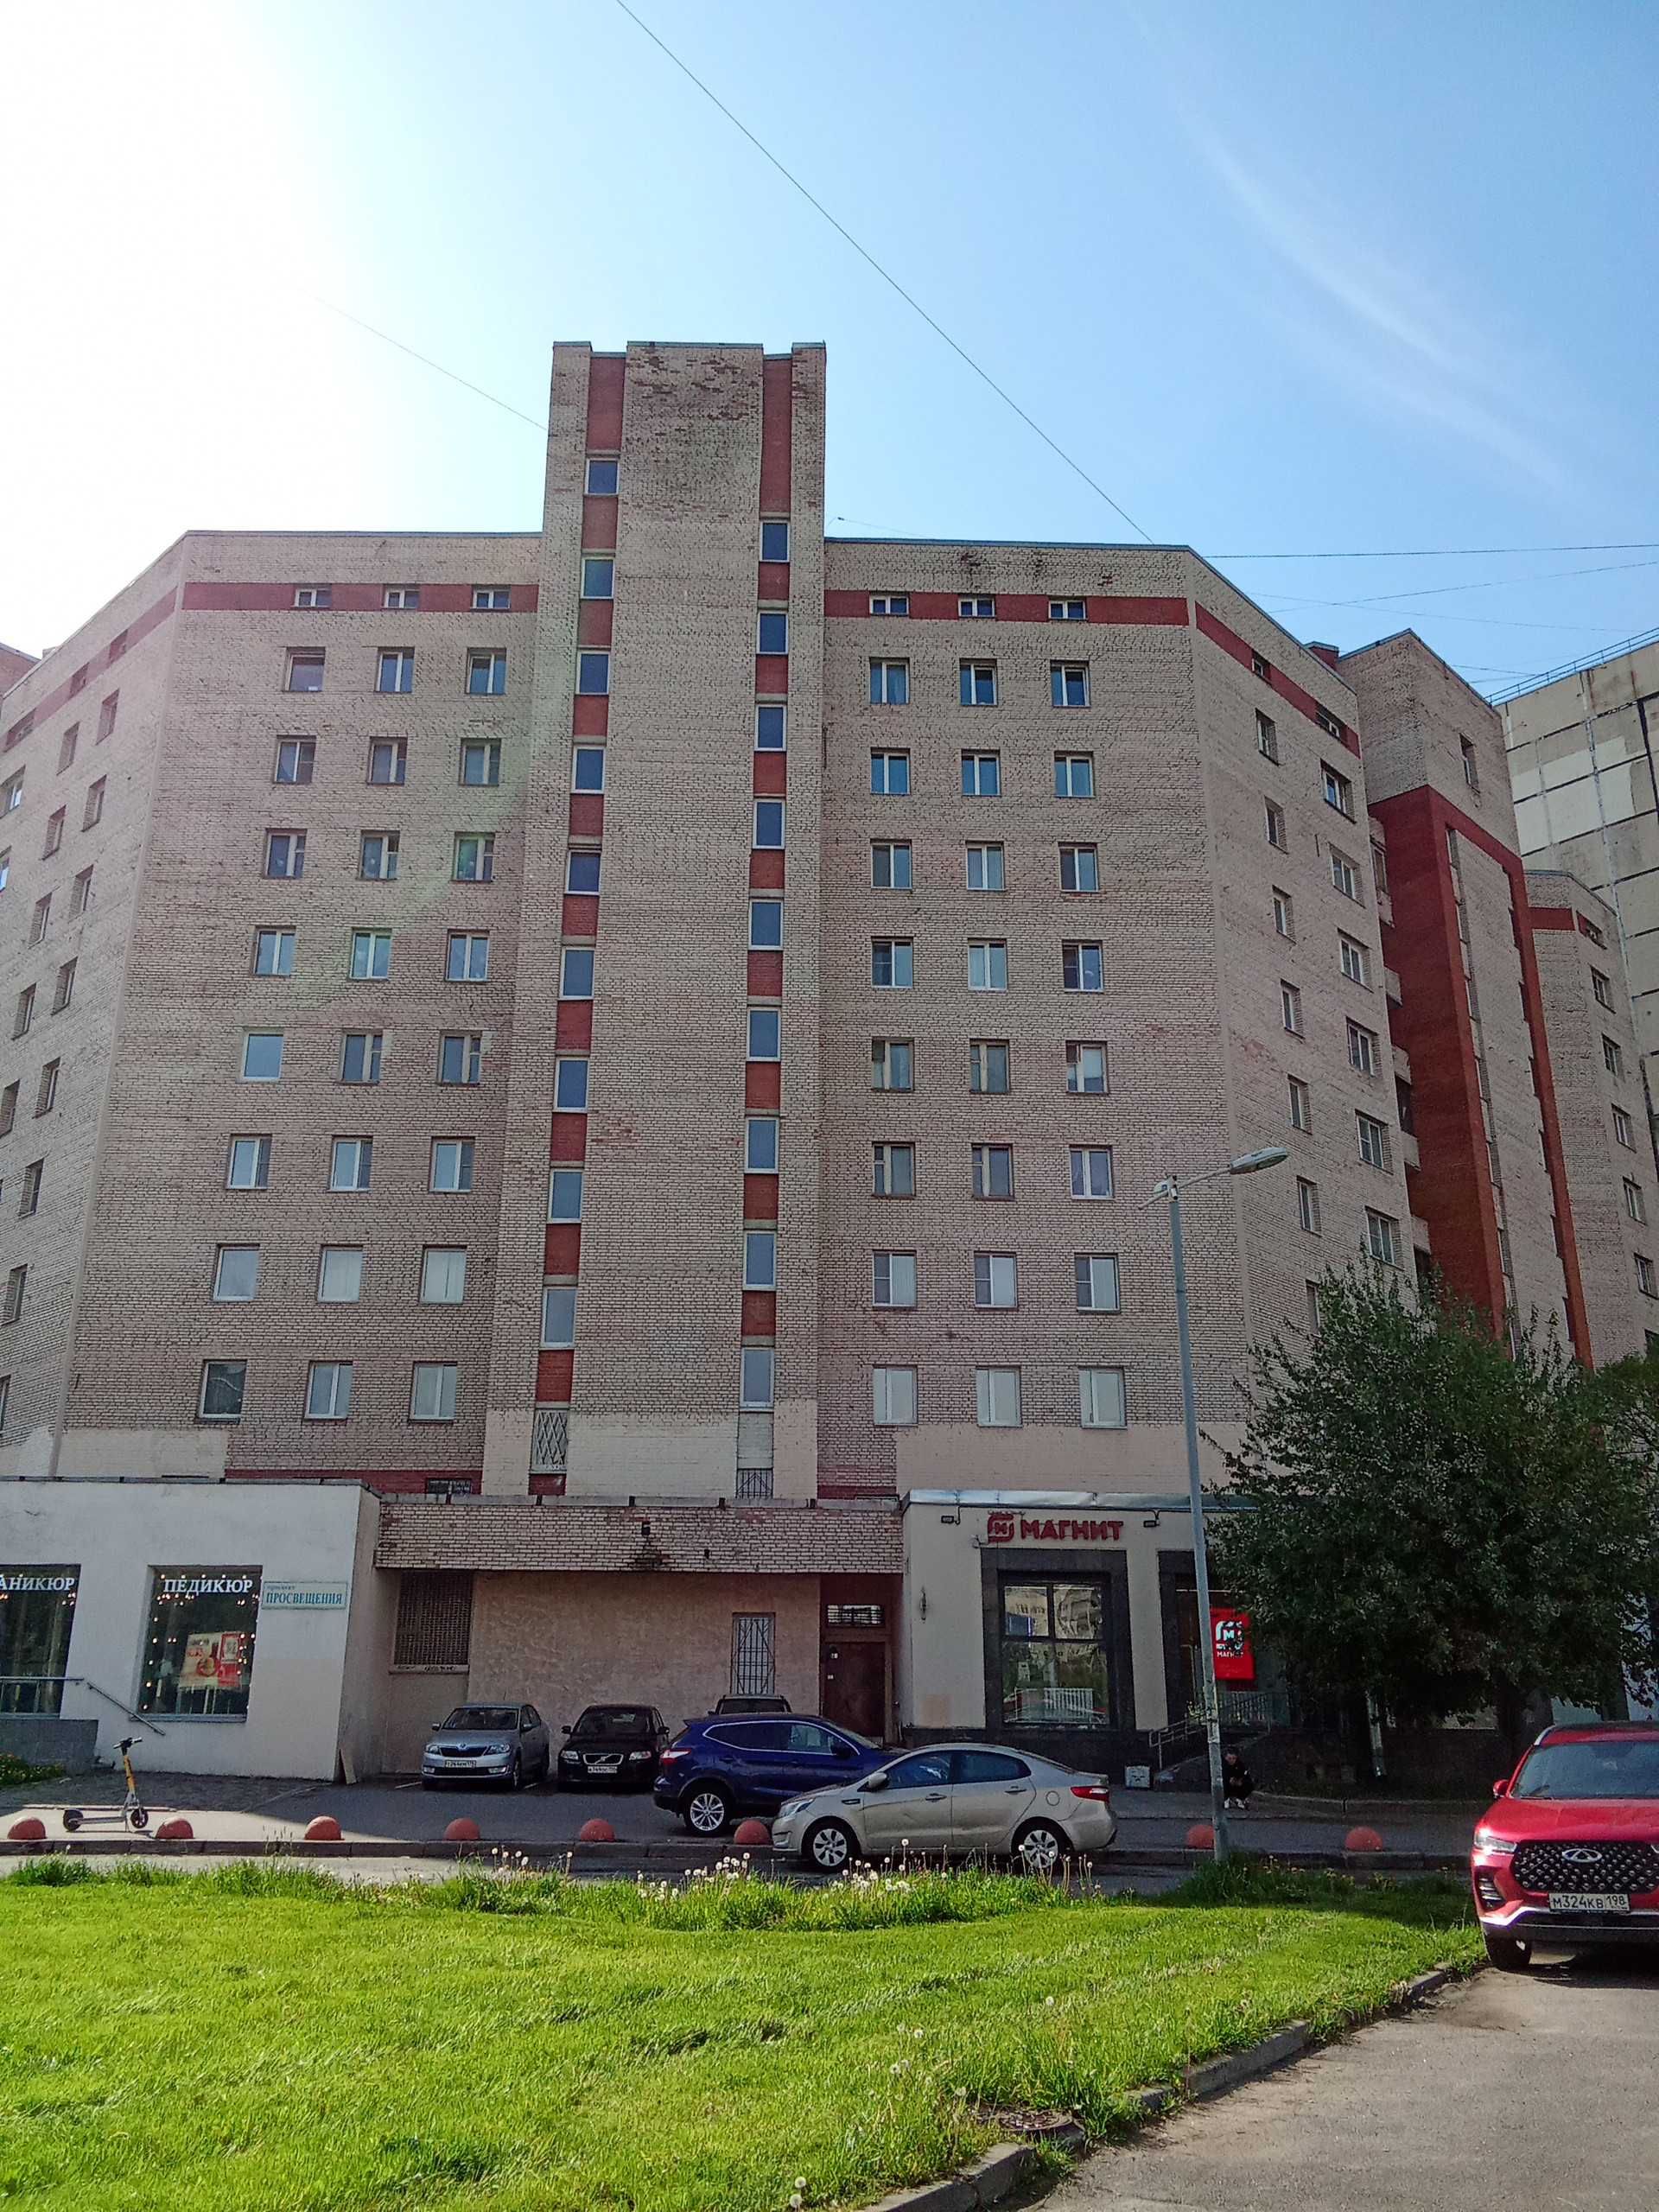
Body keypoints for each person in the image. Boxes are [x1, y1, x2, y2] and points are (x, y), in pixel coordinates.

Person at [1222, 1748, 1254, 1814]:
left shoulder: (1240, 1764)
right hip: (1226, 1784)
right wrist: (1228, 1781)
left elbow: (1246, 1775)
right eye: (1229, 1759)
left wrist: (1240, 1781)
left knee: (1249, 1785)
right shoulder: (1222, 1764)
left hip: (1237, 1783)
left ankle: (1240, 1799)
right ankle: (1226, 1799)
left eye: (1234, 1758)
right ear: (1225, 1758)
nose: (1232, 1760)